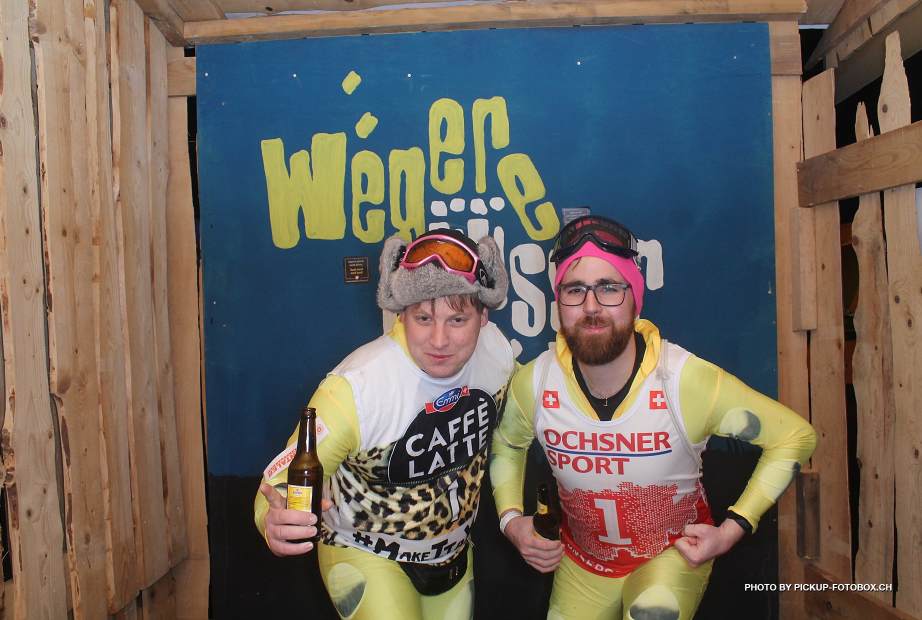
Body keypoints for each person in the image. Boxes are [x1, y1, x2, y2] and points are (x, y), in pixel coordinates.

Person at [490, 214, 817, 619]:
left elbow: (795, 437)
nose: (591, 306)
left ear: (634, 297)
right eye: (575, 290)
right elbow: (507, 445)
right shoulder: (536, 382)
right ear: (559, 302)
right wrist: (510, 522)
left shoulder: (682, 380)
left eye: (609, 288)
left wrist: (732, 530)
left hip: (670, 558)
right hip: (584, 564)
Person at [254, 228, 515, 620]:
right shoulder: (356, 389)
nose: (439, 339)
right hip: (365, 553)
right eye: (423, 318)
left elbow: (519, 427)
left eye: (457, 319)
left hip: (453, 555)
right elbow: (276, 484)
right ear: (401, 315)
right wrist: (271, 520)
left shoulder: (497, 356)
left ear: (484, 317)